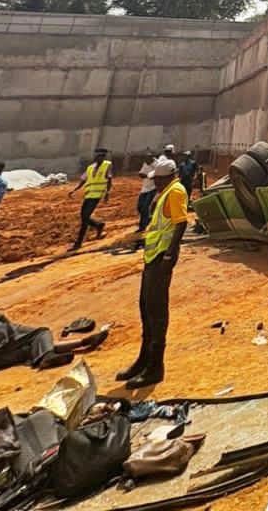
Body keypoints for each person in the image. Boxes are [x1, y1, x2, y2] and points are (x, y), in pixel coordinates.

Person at [116, 158, 187, 389]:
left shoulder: (175, 191)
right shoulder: (164, 191)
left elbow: (181, 223)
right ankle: (143, 360)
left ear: (168, 176)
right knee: (146, 308)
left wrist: (169, 255)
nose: (155, 183)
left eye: (158, 179)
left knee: (157, 311)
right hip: (152, 257)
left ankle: (155, 367)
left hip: (161, 259)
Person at [0, 314, 108, 372]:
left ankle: (83, 342)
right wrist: (13, 333)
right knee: (41, 332)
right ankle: (47, 356)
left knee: (32, 348)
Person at [68, 148, 113, 250]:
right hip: (88, 195)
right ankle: (99, 225)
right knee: (83, 216)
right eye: (97, 155)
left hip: (97, 196)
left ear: (104, 156)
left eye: (101, 156)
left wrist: (107, 193)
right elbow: (83, 180)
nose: (99, 157)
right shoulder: (90, 167)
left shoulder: (107, 165)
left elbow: (109, 179)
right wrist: (74, 189)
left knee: (85, 218)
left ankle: (78, 243)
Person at [137, 151, 157, 232]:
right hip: (144, 188)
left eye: (147, 160)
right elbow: (141, 174)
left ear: (152, 158)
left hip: (153, 188)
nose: (146, 161)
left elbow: (154, 176)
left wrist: (146, 175)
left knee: (145, 207)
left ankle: (142, 226)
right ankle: (148, 218)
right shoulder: (146, 163)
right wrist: (147, 175)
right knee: (139, 207)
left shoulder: (157, 164)